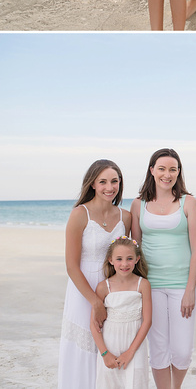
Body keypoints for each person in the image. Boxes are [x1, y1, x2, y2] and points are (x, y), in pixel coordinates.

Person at [130, 149, 196, 389]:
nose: (167, 174)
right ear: (152, 170)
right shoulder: (138, 204)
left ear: (178, 172)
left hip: (182, 285)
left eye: (173, 169)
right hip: (151, 286)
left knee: (182, 351)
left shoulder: (189, 202)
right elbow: (136, 247)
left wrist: (190, 289)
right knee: (158, 348)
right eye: (161, 168)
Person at [60, 159, 132, 389]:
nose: (109, 187)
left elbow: (127, 258)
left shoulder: (126, 217)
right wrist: (94, 301)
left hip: (114, 289)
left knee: (111, 344)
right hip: (84, 289)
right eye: (103, 182)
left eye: (114, 181)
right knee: (84, 347)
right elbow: (71, 266)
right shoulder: (79, 214)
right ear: (92, 184)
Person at [90, 236, 153, 389]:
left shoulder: (143, 284)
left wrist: (130, 352)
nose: (124, 264)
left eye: (129, 258)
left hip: (135, 347)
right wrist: (105, 354)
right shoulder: (103, 287)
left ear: (137, 259)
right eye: (119, 259)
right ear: (111, 260)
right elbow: (93, 324)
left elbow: (147, 321)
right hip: (110, 346)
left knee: (136, 382)